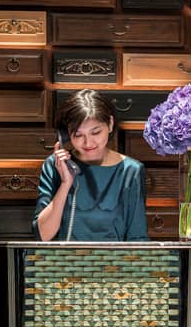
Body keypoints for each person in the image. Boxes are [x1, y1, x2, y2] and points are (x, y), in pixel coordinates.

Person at [33, 90, 149, 242]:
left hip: (114, 263)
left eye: (96, 132)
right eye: (78, 135)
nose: (88, 143)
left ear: (110, 124)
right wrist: (65, 184)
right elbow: (43, 235)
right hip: (64, 263)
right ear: (66, 134)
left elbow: (137, 237)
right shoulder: (55, 165)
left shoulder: (131, 171)